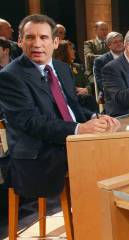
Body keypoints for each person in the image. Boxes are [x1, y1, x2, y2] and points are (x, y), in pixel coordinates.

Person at [0, 14, 119, 198]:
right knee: (102, 163)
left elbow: (72, 107)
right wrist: (79, 129)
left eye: (44, 37)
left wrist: (94, 118)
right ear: (20, 41)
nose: (37, 44)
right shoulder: (10, 76)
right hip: (40, 154)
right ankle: (88, 220)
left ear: (55, 42)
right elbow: (31, 122)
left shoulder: (62, 68)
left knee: (118, 148)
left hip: (69, 142)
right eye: (30, 37)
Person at [54, 40, 98, 112]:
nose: (74, 51)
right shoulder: (55, 69)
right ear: (63, 52)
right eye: (71, 49)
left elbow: (88, 81)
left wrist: (87, 89)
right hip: (68, 104)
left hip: (85, 100)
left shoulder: (77, 67)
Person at [93, 32, 124, 102]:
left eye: (120, 41)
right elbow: (100, 81)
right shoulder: (100, 61)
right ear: (109, 45)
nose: (119, 44)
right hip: (111, 95)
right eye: (115, 42)